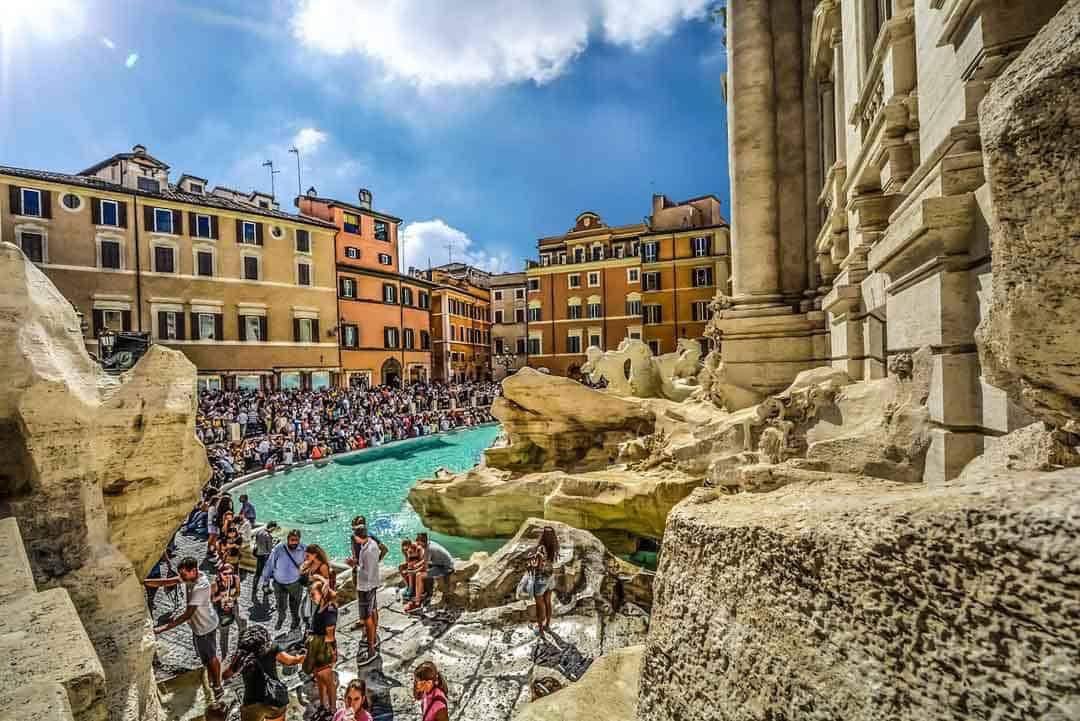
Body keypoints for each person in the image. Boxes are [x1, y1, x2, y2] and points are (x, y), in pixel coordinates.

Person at [144, 556, 223, 699]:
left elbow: (187, 614)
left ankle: (217, 685)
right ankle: (210, 677)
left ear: (193, 570)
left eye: (184, 574)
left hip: (206, 627)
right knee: (204, 657)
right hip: (198, 626)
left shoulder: (201, 586)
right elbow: (168, 582)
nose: (181, 577)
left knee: (211, 657)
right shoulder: (189, 577)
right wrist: (145, 582)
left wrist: (162, 629)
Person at [223, 623, 305, 721]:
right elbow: (290, 661)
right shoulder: (272, 647)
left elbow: (226, 675)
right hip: (276, 697)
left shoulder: (242, 654)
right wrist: (302, 657)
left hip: (252, 701)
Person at [303, 575, 339, 718]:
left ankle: (333, 709)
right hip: (317, 649)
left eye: (313, 594)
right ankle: (324, 705)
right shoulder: (320, 606)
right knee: (319, 677)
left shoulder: (330, 610)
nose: (311, 597)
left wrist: (313, 638)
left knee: (328, 681)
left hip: (324, 650)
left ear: (321, 593)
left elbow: (329, 636)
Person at [259, 528, 306, 631]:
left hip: (296, 584)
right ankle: (281, 618)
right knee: (281, 606)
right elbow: (269, 565)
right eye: (292, 540)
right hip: (279, 584)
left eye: (296, 540)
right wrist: (266, 582)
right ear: (288, 539)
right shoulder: (278, 549)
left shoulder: (303, 549)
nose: (294, 542)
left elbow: (309, 564)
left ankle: (295, 623)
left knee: (295, 607)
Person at [349, 522, 381, 665]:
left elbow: (365, 571)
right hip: (373, 584)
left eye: (355, 537)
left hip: (365, 587)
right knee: (373, 610)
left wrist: (353, 565)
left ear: (359, 537)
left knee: (366, 618)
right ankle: (374, 638)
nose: (354, 539)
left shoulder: (367, 551)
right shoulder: (372, 544)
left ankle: (371, 650)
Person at [405, 533, 453, 613]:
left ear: (422, 542)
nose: (416, 543)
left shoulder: (428, 549)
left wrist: (413, 571)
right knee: (418, 572)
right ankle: (421, 593)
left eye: (417, 541)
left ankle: (417, 603)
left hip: (445, 568)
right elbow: (425, 560)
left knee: (419, 575)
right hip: (440, 563)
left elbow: (424, 568)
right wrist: (416, 565)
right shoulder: (430, 544)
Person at [212, 563, 247, 659]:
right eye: (225, 573)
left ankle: (241, 645)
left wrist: (232, 598)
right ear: (220, 573)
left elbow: (238, 592)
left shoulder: (235, 579)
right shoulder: (215, 583)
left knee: (243, 621)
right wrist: (221, 596)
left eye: (230, 573)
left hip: (233, 603)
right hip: (220, 608)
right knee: (224, 630)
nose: (228, 575)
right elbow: (212, 599)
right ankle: (224, 654)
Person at [529, 526, 559, 636]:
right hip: (550, 578)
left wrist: (532, 562)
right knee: (548, 602)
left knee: (539, 605)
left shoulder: (541, 548)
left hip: (541, 580)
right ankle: (547, 625)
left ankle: (540, 629)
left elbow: (539, 565)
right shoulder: (555, 546)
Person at [251, 521, 277, 601]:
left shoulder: (259, 532)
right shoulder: (268, 536)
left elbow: (256, 542)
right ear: (272, 527)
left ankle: (254, 588)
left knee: (257, 573)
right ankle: (266, 589)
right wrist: (274, 544)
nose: (274, 530)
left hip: (259, 555)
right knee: (267, 574)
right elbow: (269, 549)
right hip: (266, 557)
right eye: (274, 528)